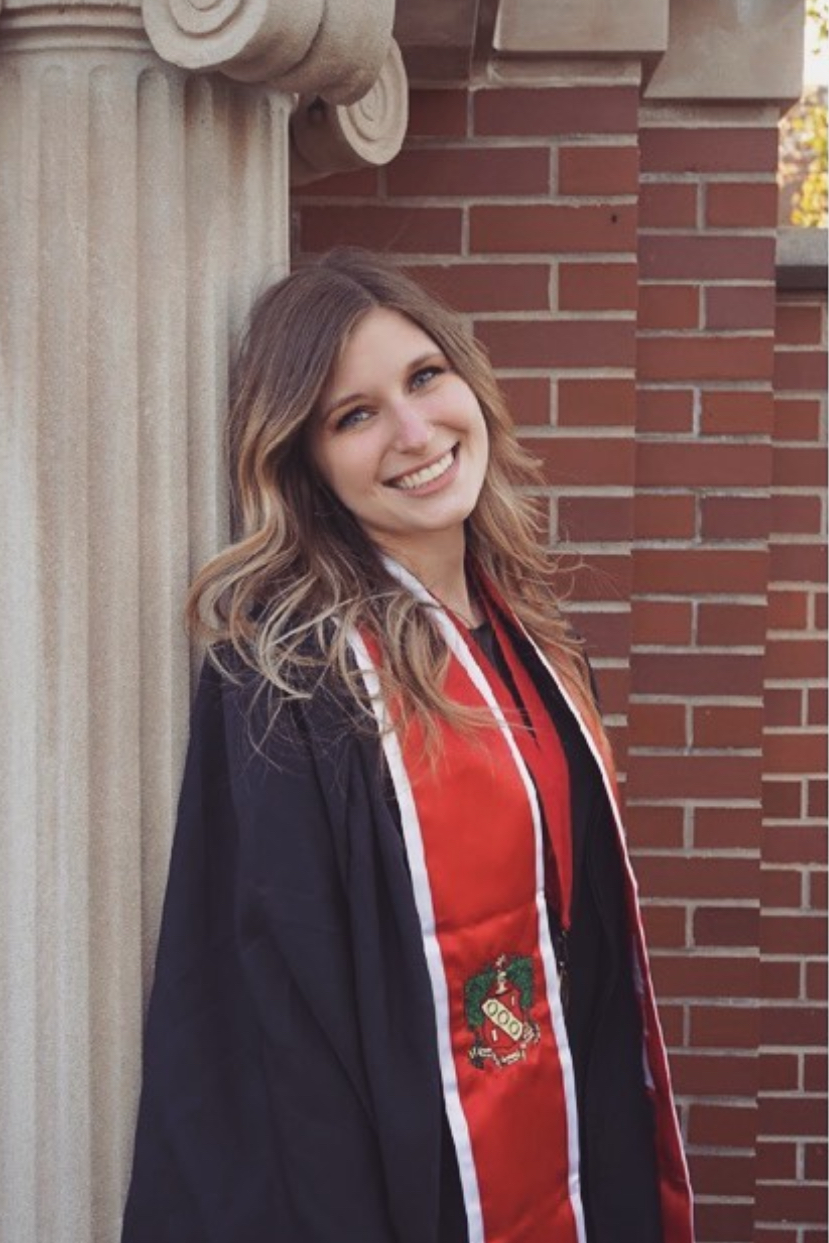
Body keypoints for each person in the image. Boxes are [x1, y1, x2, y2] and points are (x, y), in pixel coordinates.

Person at [122, 248, 694, 1243]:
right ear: (304, 462)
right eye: (355, 415)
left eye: (425, 377)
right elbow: (277, 1027)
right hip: (408, 1186)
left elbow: (588, 946)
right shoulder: (287, 679)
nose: (414, 432)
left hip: (570, 1139)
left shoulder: (534, 637)